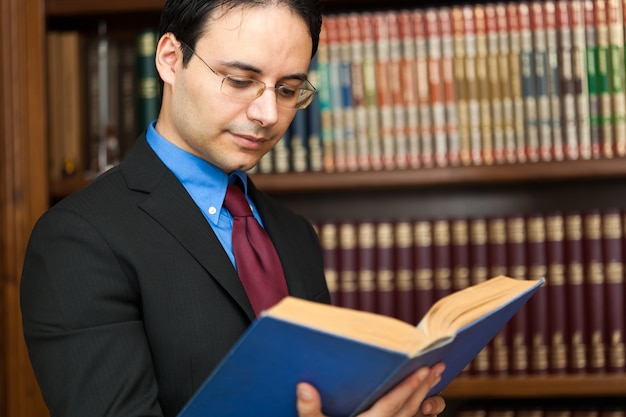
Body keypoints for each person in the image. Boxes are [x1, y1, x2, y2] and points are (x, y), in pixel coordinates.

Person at [20, 0, 447, 416]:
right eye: (240, 80)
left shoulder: (295, 233)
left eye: (287, 90)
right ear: (170, 58)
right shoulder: (78, 239)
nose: (267, 114)